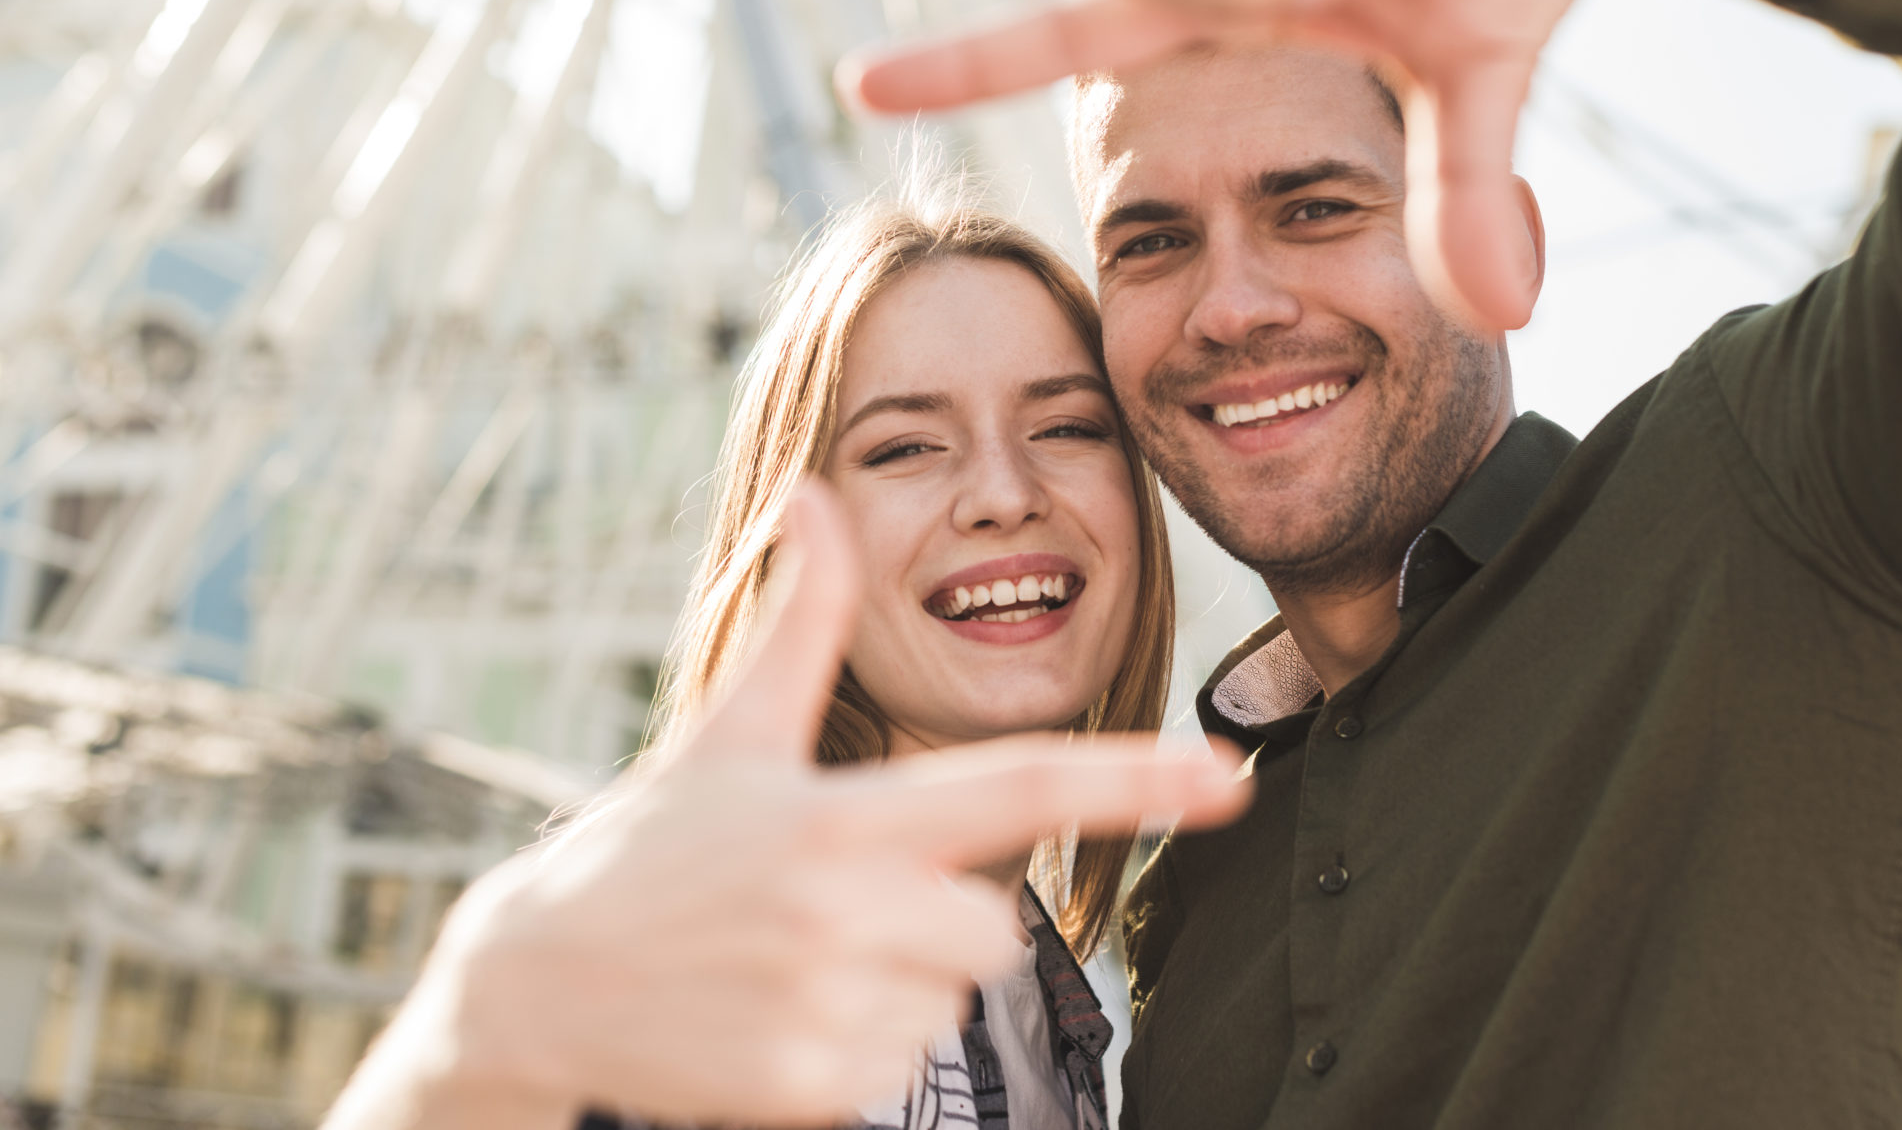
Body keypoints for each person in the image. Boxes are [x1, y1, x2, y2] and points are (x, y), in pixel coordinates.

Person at [843, 0, 1902, 1125]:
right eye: (1154, 240)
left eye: (1314, 208)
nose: (1231, 305)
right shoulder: (1196, 906)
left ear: (1506, 239)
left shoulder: (1800, 496)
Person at [322, 186, 1249, 1130]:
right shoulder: (690, 958)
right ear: (793, 529)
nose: (1004, 493)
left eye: (1067, 428)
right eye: (905, 447)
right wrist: (465, 1067)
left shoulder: (1061, 1020)